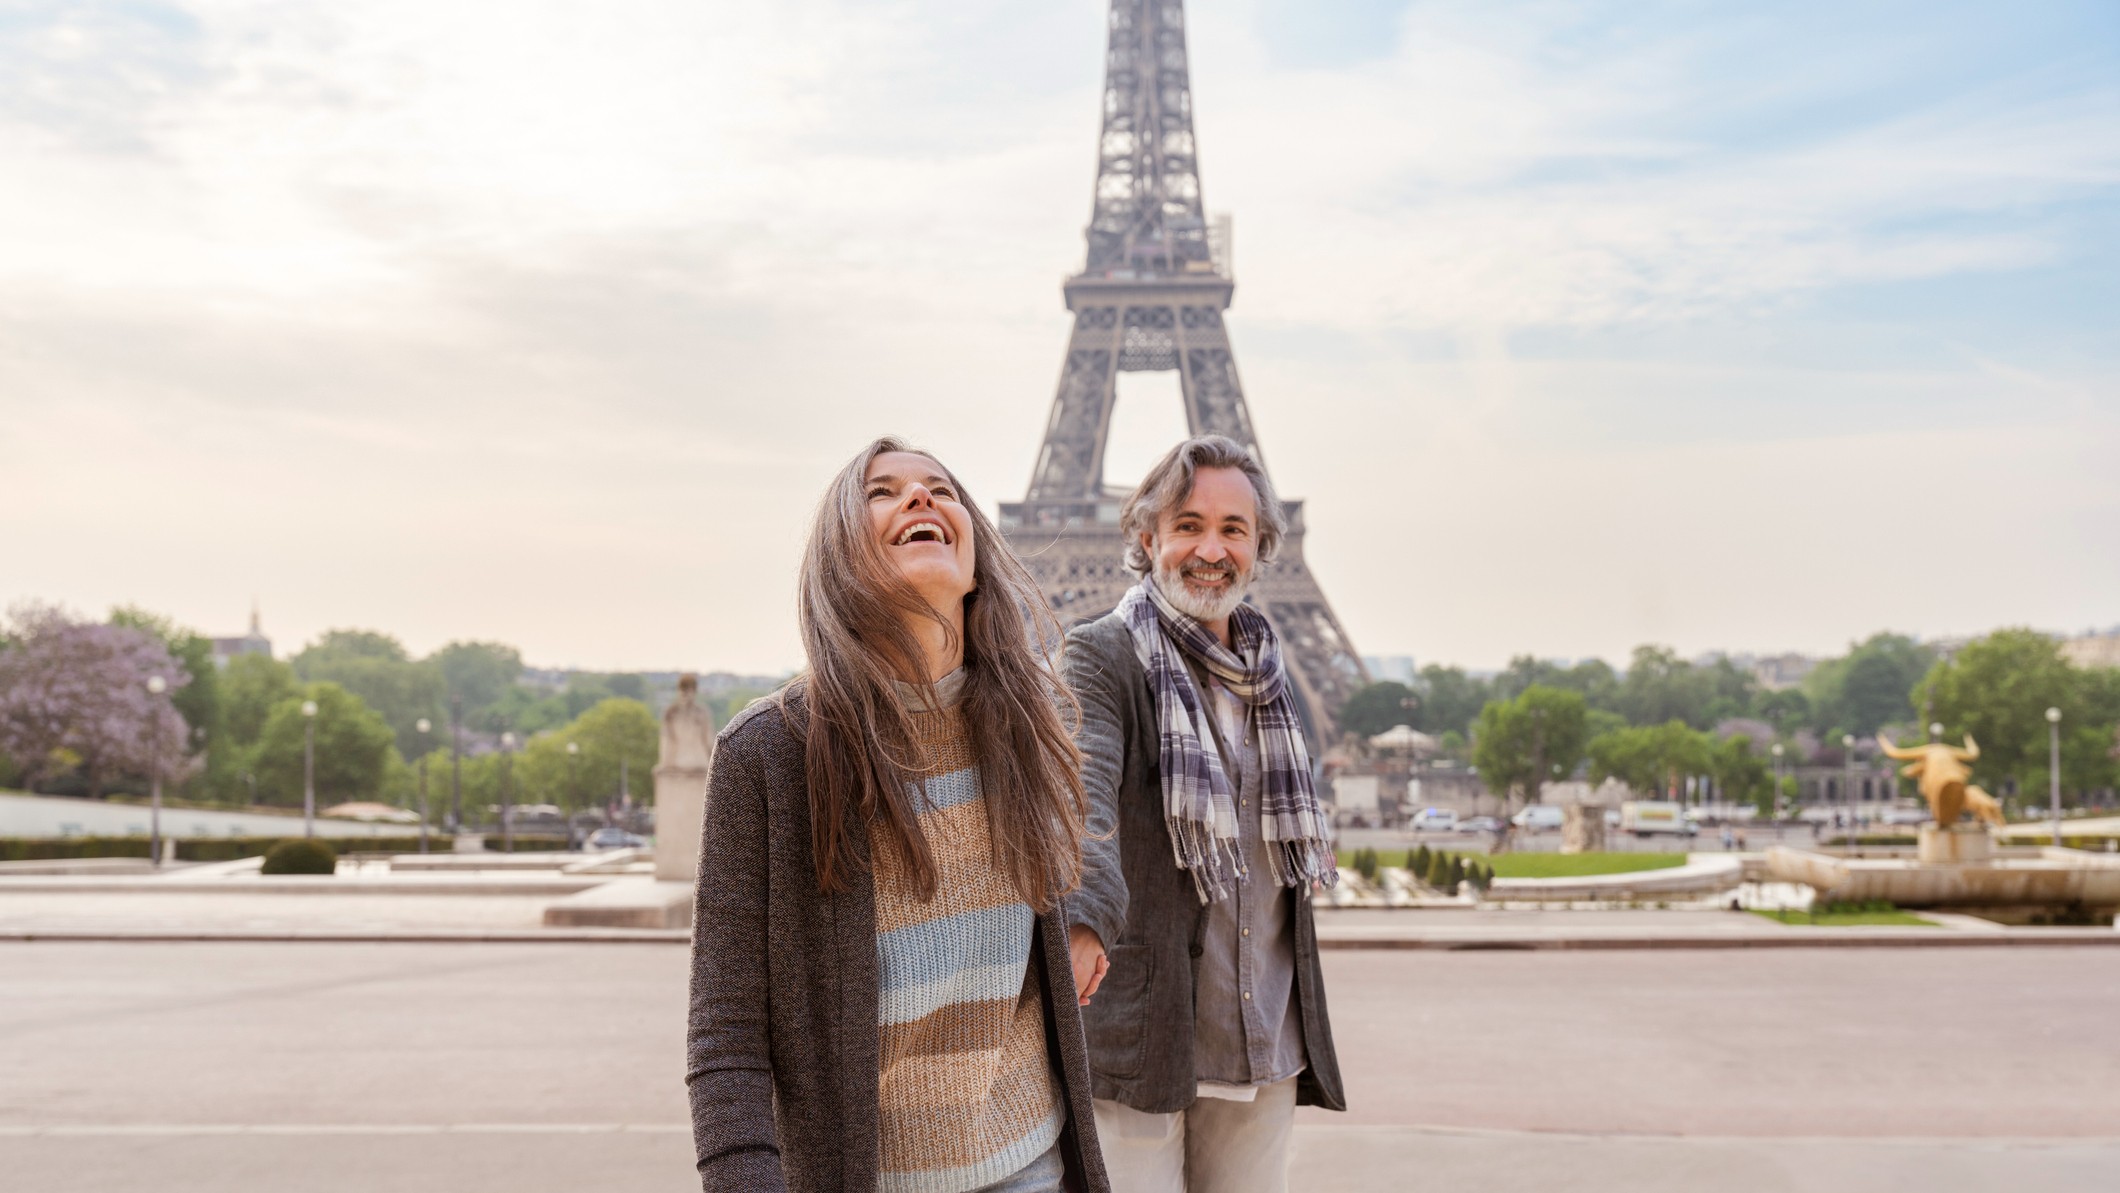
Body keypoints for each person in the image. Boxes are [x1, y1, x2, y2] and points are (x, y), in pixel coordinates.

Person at [687, 437, 1111, 1193]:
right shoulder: (770, 753)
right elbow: (727, 1033)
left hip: (1030, 1165)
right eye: (883, 492)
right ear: (838, 560)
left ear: (976, 558)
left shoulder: (1023, 725)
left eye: (940, 488)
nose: (920, 497)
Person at [1060, 435, 1345, 1193]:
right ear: (1147, 538)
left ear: (1261, 548)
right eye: (1187, 525)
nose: (1210, 548)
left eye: (1232, 528)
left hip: (1260, 1028)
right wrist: (1083, 916)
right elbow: (1085, 789)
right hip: (1144, 1026)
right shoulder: (1102, 655)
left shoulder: (1269, 673)